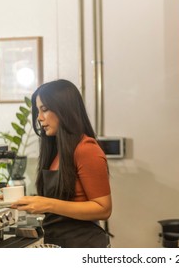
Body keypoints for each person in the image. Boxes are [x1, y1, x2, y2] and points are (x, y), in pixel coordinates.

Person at [12, 79, 112, 248]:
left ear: (65, 110)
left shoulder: (86, 149)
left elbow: (103, 209)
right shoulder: (56, 150)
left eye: (45, 109)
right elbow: (61, 200)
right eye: (37, 111)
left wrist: (48, 204)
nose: (39, 118)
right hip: (58, 243)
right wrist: (22, 201)